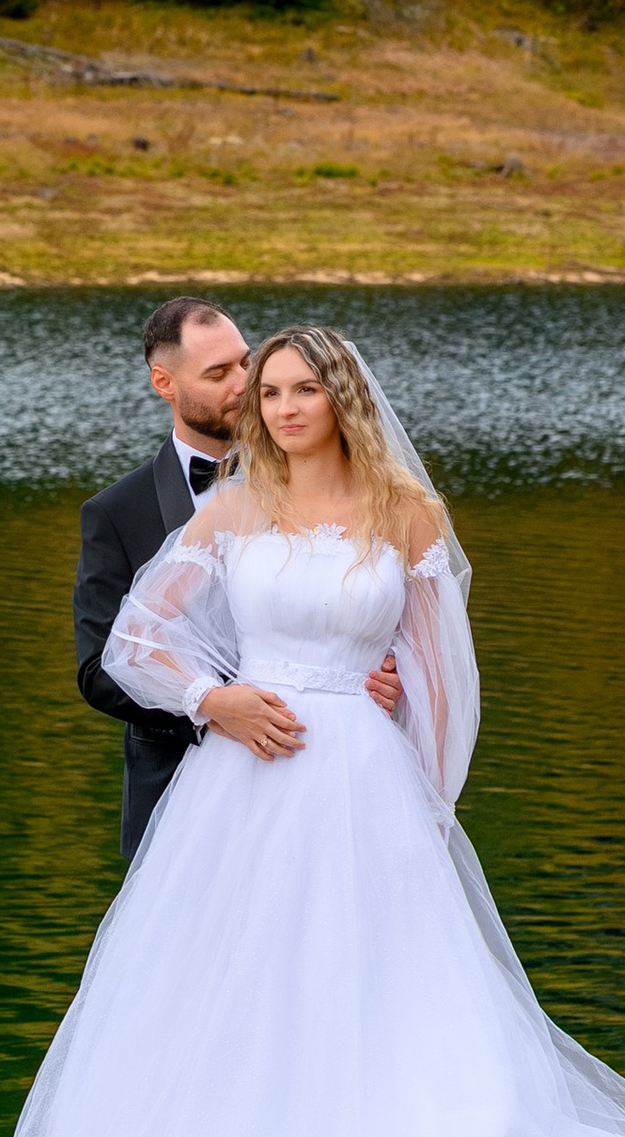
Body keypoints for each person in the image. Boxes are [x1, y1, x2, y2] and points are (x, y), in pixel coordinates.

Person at [23, 323, 625, 1137]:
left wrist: (432, 801)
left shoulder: (407, 513)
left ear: (343, 397)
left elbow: (441, 674)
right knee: (236, 967)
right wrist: (213, 700)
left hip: (368, 775)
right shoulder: (237, 507)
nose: (284, 408)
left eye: (304, 389)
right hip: (247, 774)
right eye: (271, 393)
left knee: (378, 968)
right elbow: (135, 641)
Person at [72, 299, 398, 858]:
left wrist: (387, 675)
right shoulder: (117, 513)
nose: (245, 384)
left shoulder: (331, 481)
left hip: (337, 775)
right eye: (218, 373)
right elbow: (99, 667)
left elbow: (367, 612)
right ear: (164, 383)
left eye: (246, 362)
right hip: (178, 791)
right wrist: (212, 706)